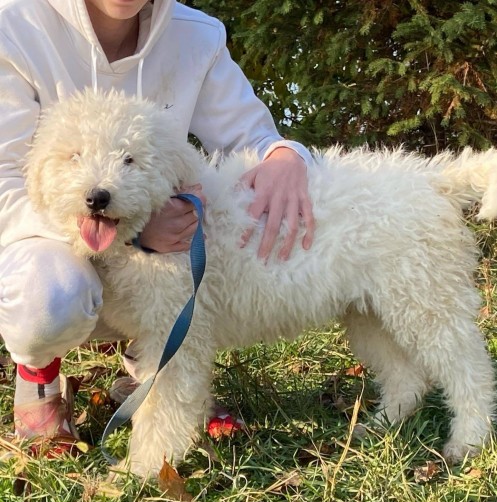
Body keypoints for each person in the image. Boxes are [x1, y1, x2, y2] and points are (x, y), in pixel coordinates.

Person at [0, 0, 315, 443]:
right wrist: (130, 233)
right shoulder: (13, 24)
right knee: (47, 299)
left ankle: (154, 365)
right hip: (44, 234)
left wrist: (284, 155)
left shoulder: (197, 35)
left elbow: (253, 136)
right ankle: (39, 373)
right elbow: (3, 174)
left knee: (194, 237)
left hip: (152, 240)